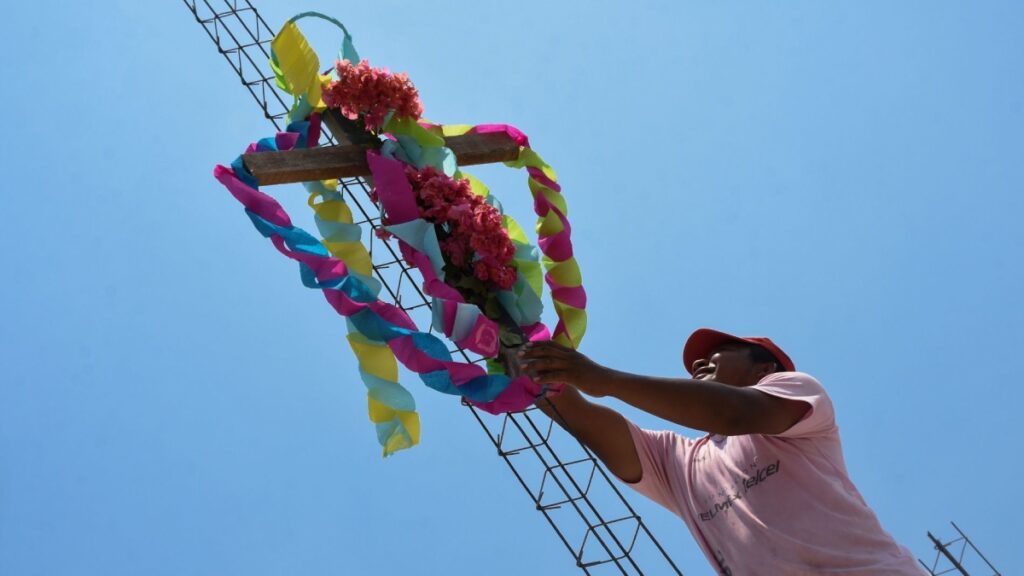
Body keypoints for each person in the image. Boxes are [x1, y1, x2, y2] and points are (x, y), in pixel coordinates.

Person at [519, 327, 925, 576]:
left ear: (765, 371)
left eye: (716, 353)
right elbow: (586, 420)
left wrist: (602, 377)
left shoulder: (797, 394)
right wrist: (523, 356)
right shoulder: (681, 462)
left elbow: (734, 412)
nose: (697, 362)